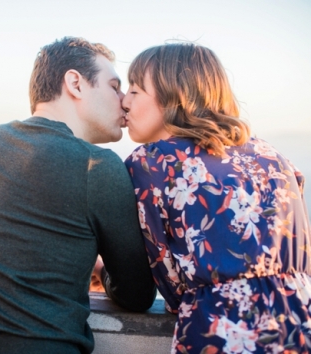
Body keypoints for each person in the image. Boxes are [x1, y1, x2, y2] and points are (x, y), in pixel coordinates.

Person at [0, 37, 157, 354]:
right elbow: (137, 295)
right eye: (114, 87)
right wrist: (101, 271)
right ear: (75, 83)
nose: (124, 101)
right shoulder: (95, 165)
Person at [123, 43, 311, 353]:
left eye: (134, 90)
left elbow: (170, 282)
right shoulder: (275, 157)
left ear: (175, 96)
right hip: (299, 323)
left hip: (223, 329)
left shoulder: (150, 163)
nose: (124, 101)